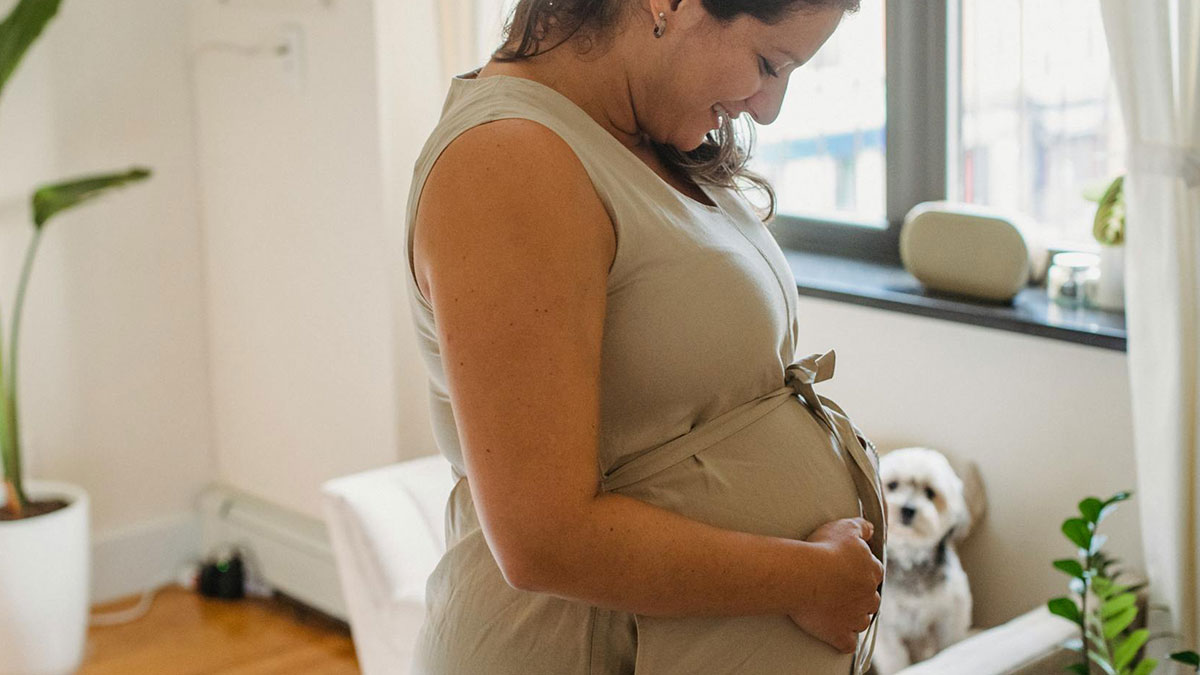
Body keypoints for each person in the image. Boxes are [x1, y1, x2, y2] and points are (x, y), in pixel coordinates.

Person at [402, 0, 887, 672]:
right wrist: (807, 578)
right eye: (768, 63)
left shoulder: (644, 136)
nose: (769, 106)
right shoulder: (506, 158)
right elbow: (545, 538)